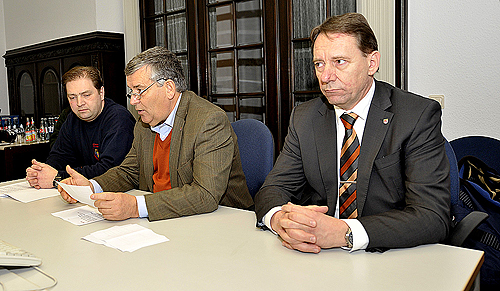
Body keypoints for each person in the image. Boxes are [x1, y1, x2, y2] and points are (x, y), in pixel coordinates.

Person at [254, 13, 450, 253]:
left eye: (339, 61)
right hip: (317, 256)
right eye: (319, 64)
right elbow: (273, 189)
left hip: (389, 255)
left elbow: (432, 216)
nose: (325, 77)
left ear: (372, 63)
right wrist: (279, 220)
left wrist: (344, 233)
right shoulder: (304, 118)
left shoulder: (416, 116)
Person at [58, 46, 253, 222]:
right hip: (164, 220)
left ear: (168, 88)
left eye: (139, 91)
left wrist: (135, 206)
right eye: (131, 92)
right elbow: (129, 171)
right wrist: (92, 187)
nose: (133, 101)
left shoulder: (208, 121)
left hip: (220, 223)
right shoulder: (145, 122)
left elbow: (205, 195)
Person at [26, 66, 136, 189]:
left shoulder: (119, 119)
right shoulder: (72, 118)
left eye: (86, 95)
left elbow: (109, 170)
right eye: (72, 97)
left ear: (101, 93)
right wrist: (41, 173)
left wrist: (57, 177)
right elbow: (59, 156)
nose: (79, 103)